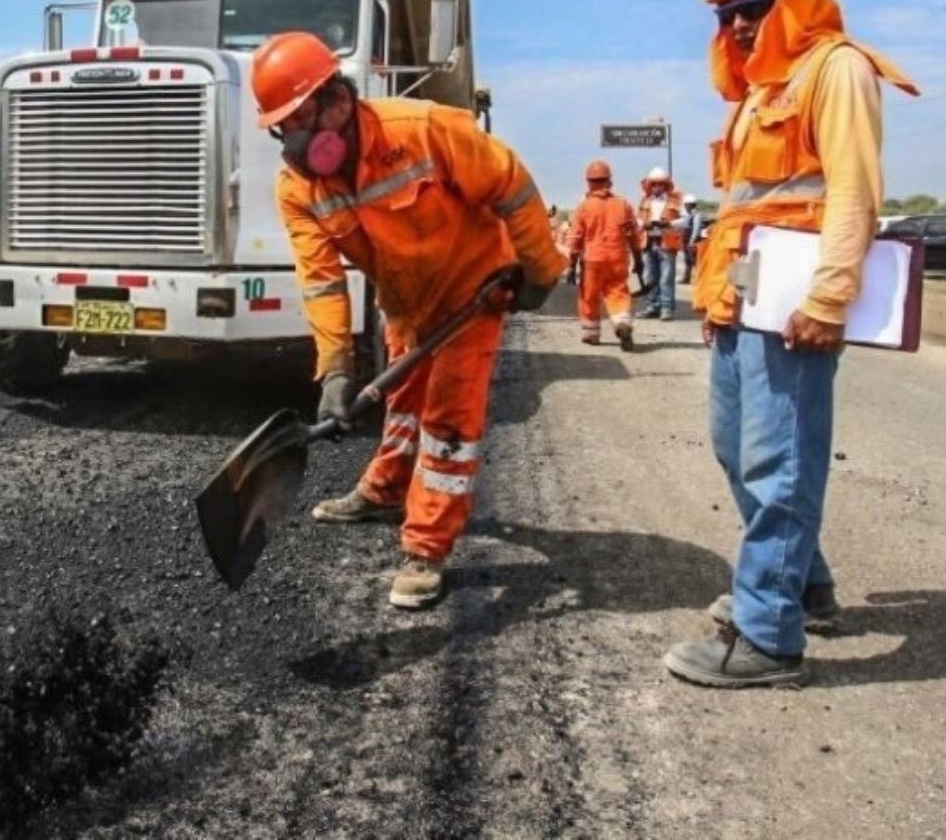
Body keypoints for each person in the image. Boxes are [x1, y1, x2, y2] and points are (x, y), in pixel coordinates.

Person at [664, 0, 917, 688]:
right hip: (744, 303)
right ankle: (803, 584)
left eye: (755, 5)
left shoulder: (836, 69)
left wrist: (830, 296)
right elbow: (743, 212)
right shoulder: (758, 92)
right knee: (733, 449)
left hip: (796, 308)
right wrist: (718, 298)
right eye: (726, 12)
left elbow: (854, 191)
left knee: (780, 462)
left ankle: (769, 636)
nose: (738, 24)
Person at [251, 31, 565, 611]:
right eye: (281, 127)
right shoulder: (297, 187)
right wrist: (336, 368)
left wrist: (540, 269)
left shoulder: (422, 128)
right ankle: (386, 489)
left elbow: (511, 183)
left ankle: (426, 545)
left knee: (446, 421)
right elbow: (321, 280)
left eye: (298, 120)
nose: (292, 141)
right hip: (405, 302)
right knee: (402, 401)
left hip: (473, 290)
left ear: (337, 101)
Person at [565, 160, 641, 350]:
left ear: (589, 182)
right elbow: (634, 234)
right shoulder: (623, 204)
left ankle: (591, 333)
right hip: (618, 258)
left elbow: (575, 239)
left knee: (589, 296)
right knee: (618, 292)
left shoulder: (584, 206)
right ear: (609, 181)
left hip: (593, 259)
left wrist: (571, 266)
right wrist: (639, 259)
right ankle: (622, 323)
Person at [636, 167, 683, 319]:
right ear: (650, 185)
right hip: (649, 242)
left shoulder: (675, 201)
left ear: (665, 185)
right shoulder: (645, 200)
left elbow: (685, 220)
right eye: (654, 184)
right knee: (650, 277)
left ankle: (666, 308)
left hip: (667, 243)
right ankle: (652, 307)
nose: (657, 187)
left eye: (660, 184)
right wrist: (644, 224)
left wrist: (669, 224)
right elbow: (637, 220)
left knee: (666, 278)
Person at [678, 193, 705, 284]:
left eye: (688, 205)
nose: (686, 207)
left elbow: (696, 229)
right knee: (687, 260)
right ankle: (686, 278)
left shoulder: (697, 215)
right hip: (686, 240)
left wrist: (692, 241)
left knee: (695, 261)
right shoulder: (687, 214)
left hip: (692, 241)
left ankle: (699, 279)